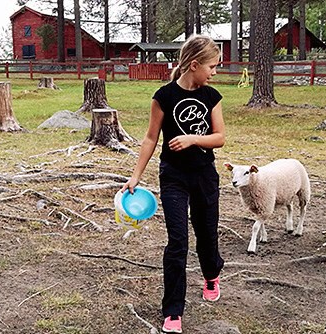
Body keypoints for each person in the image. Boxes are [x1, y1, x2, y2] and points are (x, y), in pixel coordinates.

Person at [120, 35, 226, 334]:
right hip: (173, 177)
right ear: (194, 65)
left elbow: (219, 138)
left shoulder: (211, 96)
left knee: (206, 236)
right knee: (178, 241)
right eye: (212, 66)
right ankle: (173, 312)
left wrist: (193, 139)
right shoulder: (164, 96)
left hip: (205, 175)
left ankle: (211, 272)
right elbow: (151, 138)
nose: (214, 72)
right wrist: (136, 176)